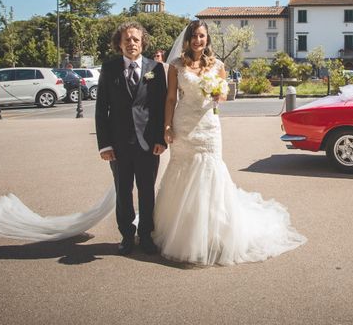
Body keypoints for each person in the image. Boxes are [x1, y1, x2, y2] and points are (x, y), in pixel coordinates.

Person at [152, 19, 306, 265]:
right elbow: (170, 99)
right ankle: (182, 231)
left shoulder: (218, 66)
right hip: (183, 127)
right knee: (182, 172)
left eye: (201, 36)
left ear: (207, 39)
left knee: (210, 173)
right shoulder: (175, 66)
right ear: (187, 40)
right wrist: (167, 127)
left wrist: (218, 94)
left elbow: (222, 94)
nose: (197, 40)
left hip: (209, 128)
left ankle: (212, 234)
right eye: (193, 36)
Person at [95, 21, 167, 255]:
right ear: (119, 43)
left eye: (136, 39)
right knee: (123, 191)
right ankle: (126, 235)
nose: (131, 43)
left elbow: (159, 108)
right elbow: (101, 109)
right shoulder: (109, 68)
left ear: (142, 42)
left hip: (148, 144)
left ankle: (145, 235)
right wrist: (104, 145)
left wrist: (160, 139)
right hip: (118, 145)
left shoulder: (155, 69)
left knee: (147, 191)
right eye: (127, 39)